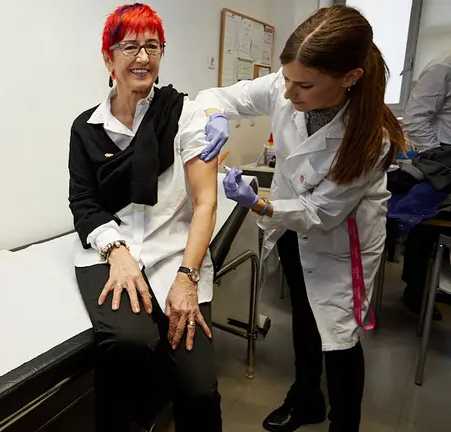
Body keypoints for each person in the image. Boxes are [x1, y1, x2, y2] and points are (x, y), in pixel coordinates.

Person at [196, 5, 407, 432]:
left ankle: (343, 423)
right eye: (287, 79)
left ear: (350, 77)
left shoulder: (371, 140)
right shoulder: (286, 83)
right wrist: (216, 115)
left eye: (304, 85)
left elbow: (319, 214)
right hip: (293, 226)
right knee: (305, 316)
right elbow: (219, 96)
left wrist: (258, 204)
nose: (289, 94)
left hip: (340, 243)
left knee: (339, 334)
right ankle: (306, 396)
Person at [67, 4, 228, 431]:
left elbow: (205, 202)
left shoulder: (185, 115)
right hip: (110, 250)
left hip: (177, 254)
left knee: (197, 388)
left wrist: (187, 277)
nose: (143, 57)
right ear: (108, 58)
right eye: (130, 46)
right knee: (127, 341)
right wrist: (115, 250)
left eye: (152, 46)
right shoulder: (86, 128)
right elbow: (83, 203)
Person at [398, 51, 451, 318]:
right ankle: (416, 291)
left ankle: (434, 288)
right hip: (443, 156)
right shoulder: (443, 67)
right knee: (427, 225)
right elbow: (415, 118)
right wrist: (437, 156)